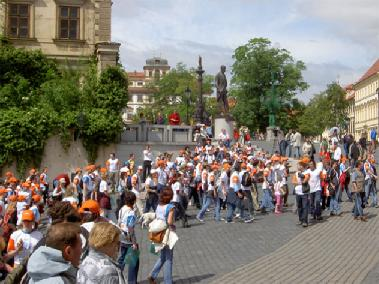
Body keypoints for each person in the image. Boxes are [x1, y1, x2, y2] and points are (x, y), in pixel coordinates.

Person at [148, 188, 175, 284]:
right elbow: (169, 222)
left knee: (163, 256)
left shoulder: (159, 206)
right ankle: (168, 281)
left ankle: (152, 275)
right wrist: (173, 226)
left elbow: (156, 216)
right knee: (169, 258)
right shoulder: (171, 207)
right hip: (166, 234)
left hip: (158, 233)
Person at [118, 192, 139, 283]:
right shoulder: (131, 213)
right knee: (133, 261)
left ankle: (118, 276)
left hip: (121, 236)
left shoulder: (122, 209)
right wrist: (134, 243)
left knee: (122, 258)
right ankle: (131, 281)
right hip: (129, 238)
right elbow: (130, 228)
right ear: (134, 201)